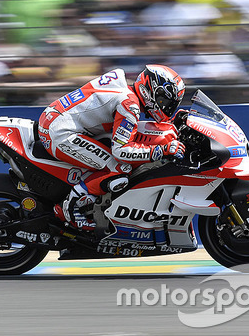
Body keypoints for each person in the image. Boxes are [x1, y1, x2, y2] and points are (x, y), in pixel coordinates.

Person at [38, 65, 186, 230]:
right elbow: (121, 151)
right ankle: (70, 207)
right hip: (60, 133)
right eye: (163, 101)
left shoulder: (122, 86)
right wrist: (160, 150)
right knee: (119, 168)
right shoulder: (129, 104)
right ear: (149, 90)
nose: (165, 107)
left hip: (54, 118)